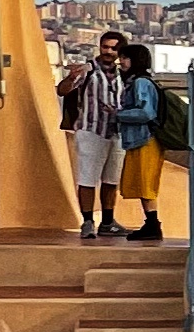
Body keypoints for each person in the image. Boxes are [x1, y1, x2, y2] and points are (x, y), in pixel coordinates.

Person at [63, 30, 129, 239]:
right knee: (88, 178)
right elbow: (63, 90)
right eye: (105, 47)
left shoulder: (124, 74)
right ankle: (88, 221)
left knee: (111, 179)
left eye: (113, 48)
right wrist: (71, 78)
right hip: (91, 130)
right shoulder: (88, 70)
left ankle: (107, 222)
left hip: (117, 132)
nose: (108, 51)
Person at [115, 41, 166, 243]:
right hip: (141, 140)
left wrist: (118, 114)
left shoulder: (140, 83)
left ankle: (152, 224)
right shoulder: (141, 82)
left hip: (144, 140)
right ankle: (150, 223)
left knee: (145, 184)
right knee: (143, 184)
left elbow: (146, 113)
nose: (121, 62)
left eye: (125, 58)